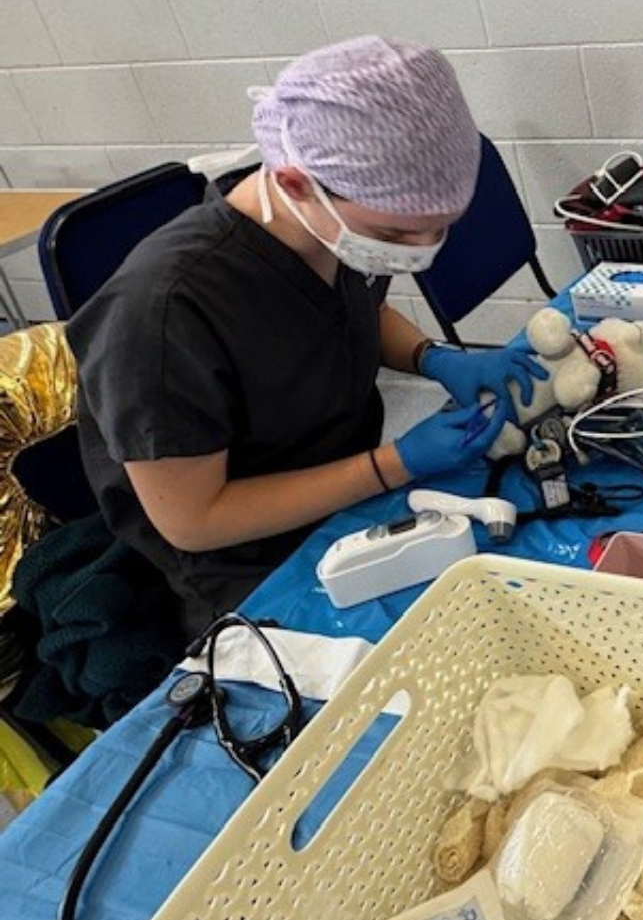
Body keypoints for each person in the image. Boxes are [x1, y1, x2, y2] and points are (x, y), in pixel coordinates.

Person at [69, 35, 545, 641]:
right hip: (253, 568)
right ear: (295, 182)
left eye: (438, 230)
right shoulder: (162, 313)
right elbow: (194, 520)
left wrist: (433, 357)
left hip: (350, 501)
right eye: (396, 235)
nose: (419, 254)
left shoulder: (326, 229)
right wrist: (394, 464)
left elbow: (353, 313)